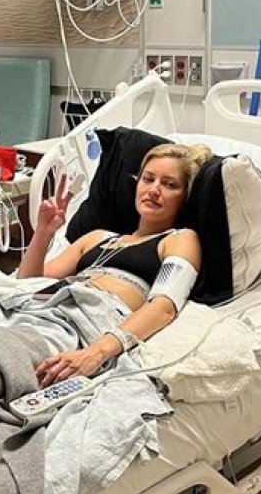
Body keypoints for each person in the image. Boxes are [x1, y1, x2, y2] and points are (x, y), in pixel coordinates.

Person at [18, 142, 211, 388]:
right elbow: (26, 284)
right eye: (148, 179)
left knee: (0, 357)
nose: (154, 190)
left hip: (83, 324)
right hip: (42, 311)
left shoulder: (179, 239)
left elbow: (164, 307)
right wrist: (43, 234)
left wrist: (95, 353)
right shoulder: (96, 237)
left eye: (169, 184)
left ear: (185, 197)